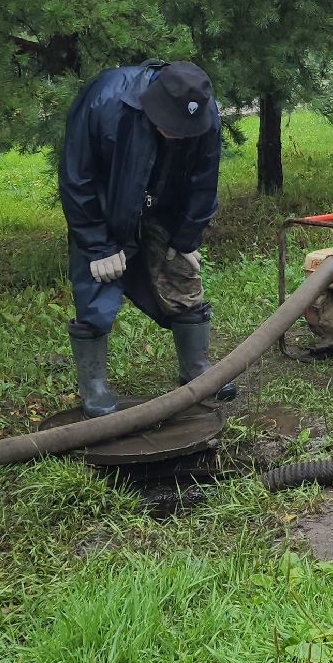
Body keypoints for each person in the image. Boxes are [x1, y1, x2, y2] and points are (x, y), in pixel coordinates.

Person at [58, 60, 235, 417]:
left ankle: (195, 369)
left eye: (186, 130)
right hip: (106, 206)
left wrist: (186, 239)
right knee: (97, 282)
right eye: (173, 128)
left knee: (183, 278)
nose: (181, 135)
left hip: (164, 204)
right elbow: (77, 177)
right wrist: (97, 244)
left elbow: (204, 181)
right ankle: (94, 386)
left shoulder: (203, 111)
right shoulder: (104, 100)